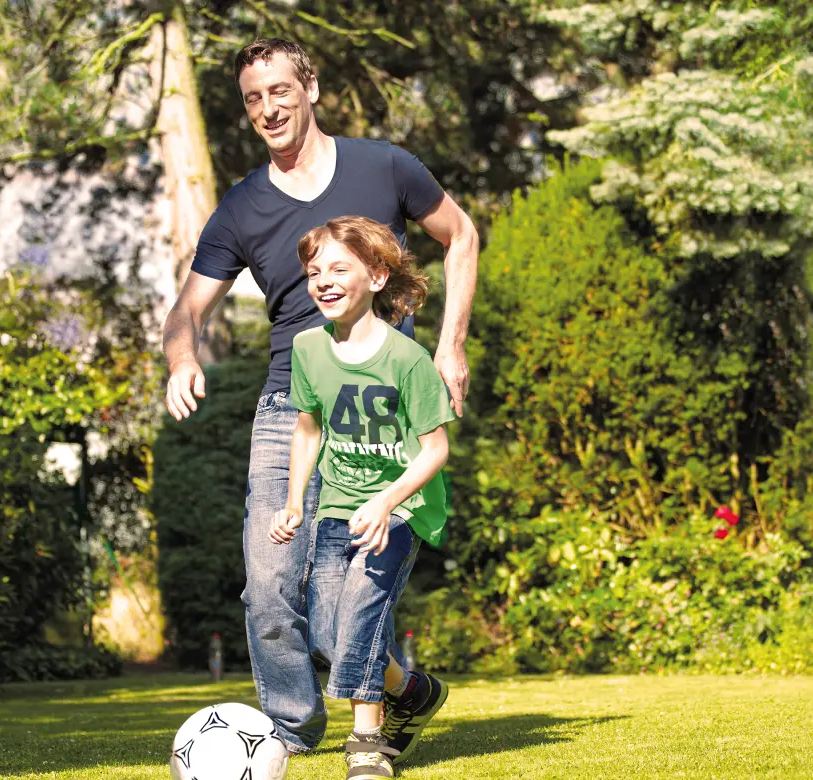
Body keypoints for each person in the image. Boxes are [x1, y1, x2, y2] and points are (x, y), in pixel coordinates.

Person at [161, 37, 478, 757]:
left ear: (309, 88)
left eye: (279, 90)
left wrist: (449, 344)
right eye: (252, 98)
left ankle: (395, 692)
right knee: (269, 588)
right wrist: (182, 359)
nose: (268, 108)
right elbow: (186, 313)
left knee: (345, 610)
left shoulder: (384, 165)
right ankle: (292, 735)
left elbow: (460, 235)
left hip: (375, 416)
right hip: (289, 410)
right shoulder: (242, 207)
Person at [270, 216, 454, 779]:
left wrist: (386, 502)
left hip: (400, 510)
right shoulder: (307, 349)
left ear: (376, 277)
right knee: (326, 633)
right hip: (335, 508)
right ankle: (415, 692)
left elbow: (435, 450)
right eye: (313, 271)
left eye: (337, 268)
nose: (322, 280)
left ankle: (367, 741)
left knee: (360, 615)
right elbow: (308, 429)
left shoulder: (407, 359)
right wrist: (296, 498)